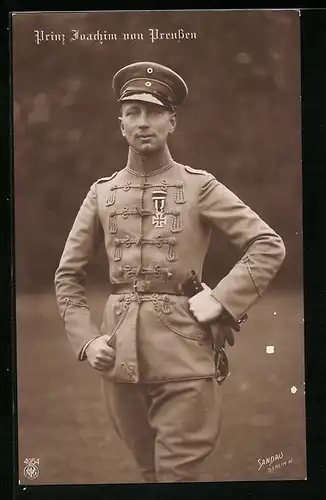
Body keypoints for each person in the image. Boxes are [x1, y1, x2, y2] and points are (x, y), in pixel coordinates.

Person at [54, 61, 286, 483]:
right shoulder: (101, 194)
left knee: (176, 476)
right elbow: (67, 276)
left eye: (154, 112)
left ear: (171, 121)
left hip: (186, 354)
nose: (143, 123)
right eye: (132, 112)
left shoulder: (200, 187)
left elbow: (268, 244)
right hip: (118, 357)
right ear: (120, 123)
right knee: (149, 473)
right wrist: (86, 341)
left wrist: (221, 299)